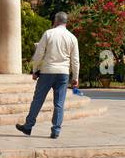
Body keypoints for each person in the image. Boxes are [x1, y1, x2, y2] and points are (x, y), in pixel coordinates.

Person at [16, 12, 80, 140]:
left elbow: (39, 54)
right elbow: (75, 60)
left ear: (56, 21)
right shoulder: (72, 37)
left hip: (47, 72)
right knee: (59, 103)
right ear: (66, 22)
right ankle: (55, 130)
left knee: (38, 99)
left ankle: (28, 126)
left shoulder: (48, 33)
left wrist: (35, 70)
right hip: (63, 73)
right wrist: (75, 78)